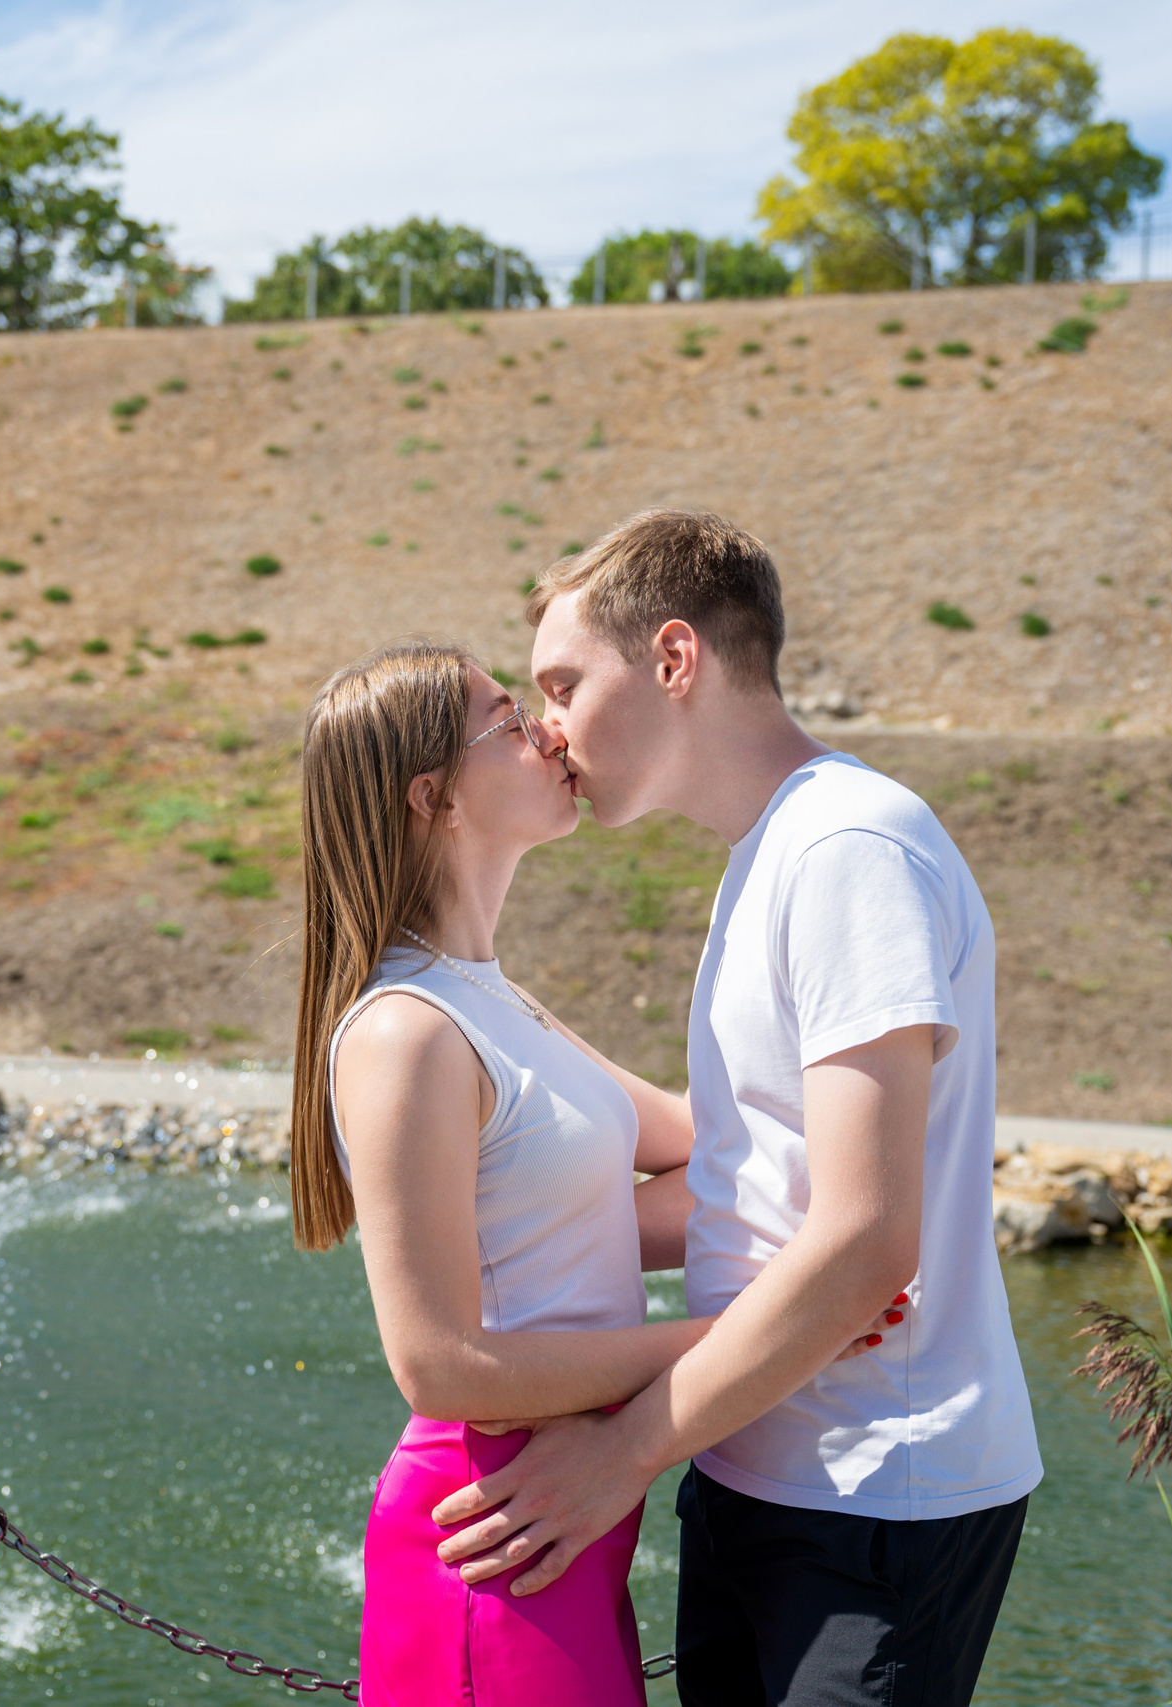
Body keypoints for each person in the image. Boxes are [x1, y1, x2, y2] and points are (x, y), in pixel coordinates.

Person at [426, 511, 1041, 1707]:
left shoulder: (848, 849)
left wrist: (621, 1450)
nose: (548, 724)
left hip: (879, 1493)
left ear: (672, 659)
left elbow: (867, 1238)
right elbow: (751, 1180)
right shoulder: (773, 854)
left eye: (563, 682)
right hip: (761, 1469)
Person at [290, 638, 904, 1707]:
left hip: (558, 1533)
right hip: (492, 1535)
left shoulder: (490, 998)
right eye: (507, 718)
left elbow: (698, 1139)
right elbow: (439, 1365)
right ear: (432, 795)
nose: (548, 730)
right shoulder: (405, 1031)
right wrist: (761, 1337)